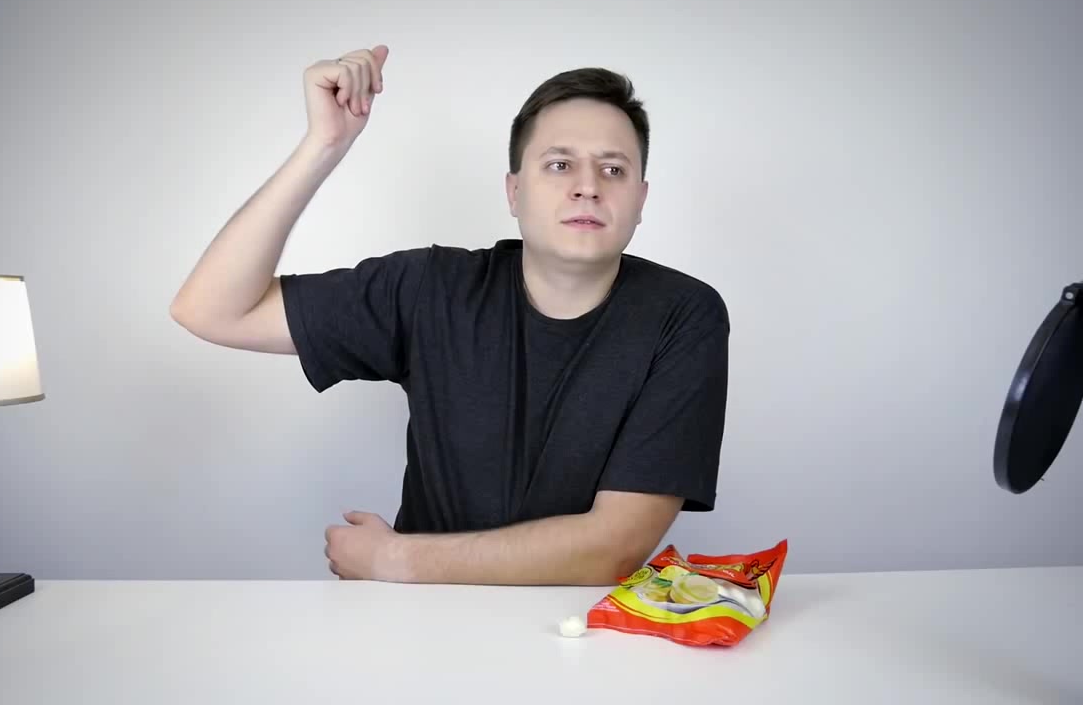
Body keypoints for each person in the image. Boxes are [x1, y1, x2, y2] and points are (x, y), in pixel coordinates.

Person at [170, 44, 730, 587]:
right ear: (514, 192)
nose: (587, 187)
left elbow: (613, 547)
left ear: (640, 199)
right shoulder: (430, 288)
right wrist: (324, 144)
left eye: (613, 170)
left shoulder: (683, 316)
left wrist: (395, 558)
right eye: (559, 165)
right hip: (421, 630)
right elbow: (211, 310)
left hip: (582, 633)